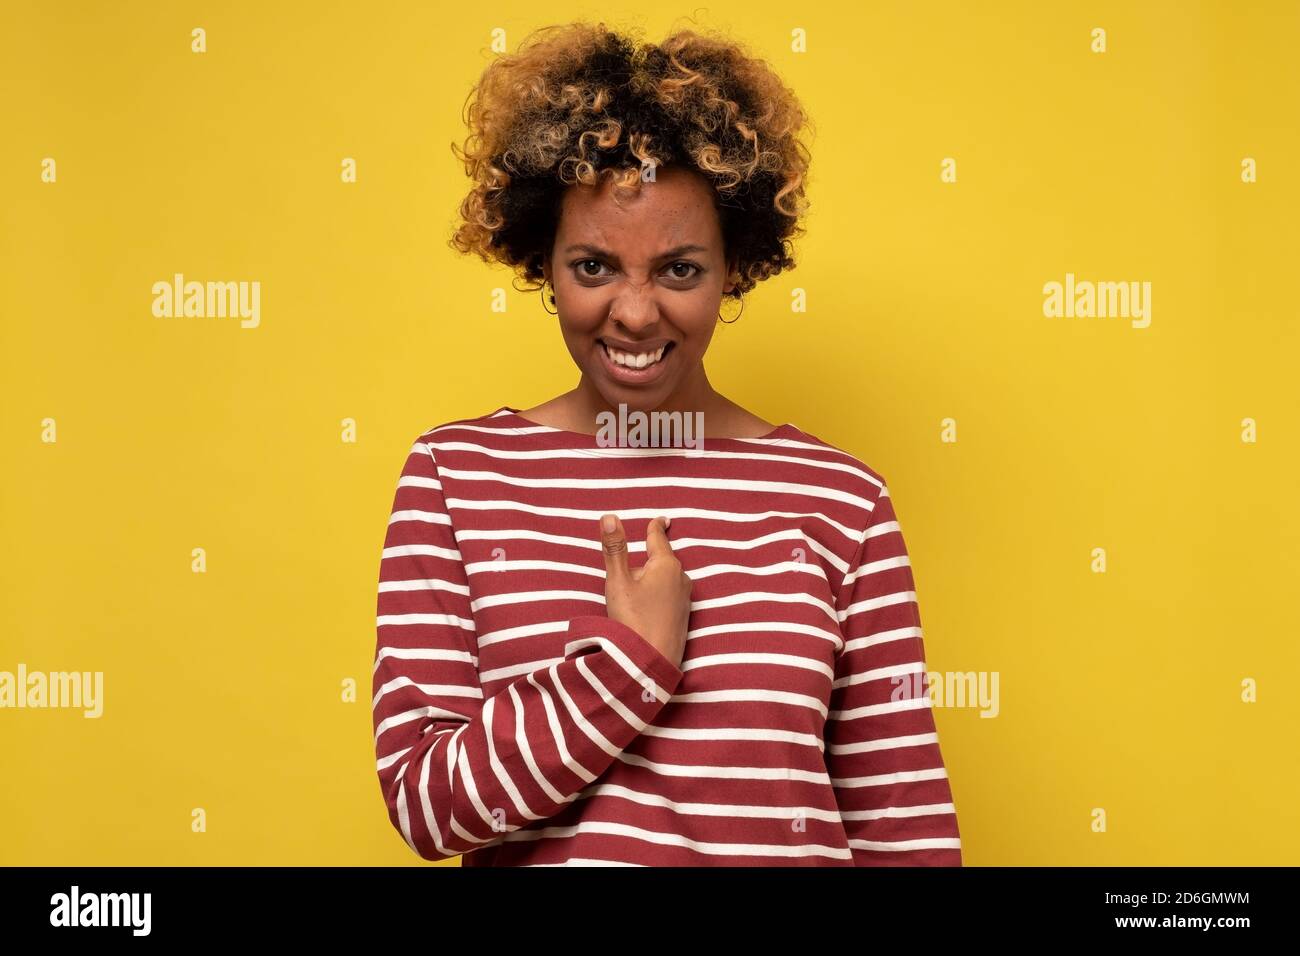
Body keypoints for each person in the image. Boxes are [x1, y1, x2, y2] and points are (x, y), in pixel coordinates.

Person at [371, 20, 962, 866]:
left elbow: (904, 832)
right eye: (594, 267)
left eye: (680, 269)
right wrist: (629, 664)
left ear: (736, 267)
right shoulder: (456, 478)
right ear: (543, 262)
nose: (637, 313)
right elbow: (429, 807)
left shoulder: (842, 501)